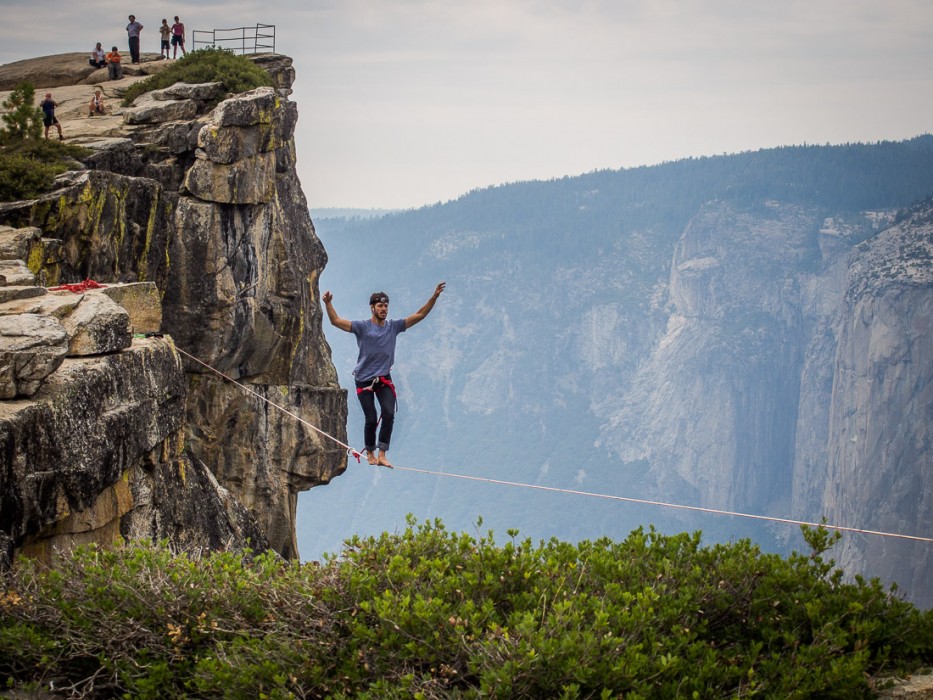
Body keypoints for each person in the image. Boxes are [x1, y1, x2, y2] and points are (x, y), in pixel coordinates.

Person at [323, 283, 446, 467]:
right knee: (371, 418)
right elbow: (336, 321)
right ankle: (370, 452)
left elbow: (419, 315)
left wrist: (434, 297)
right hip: (363, 380)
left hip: (383, 379)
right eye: (380, 306)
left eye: (386, 306)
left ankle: (382, 453)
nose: (384, 309)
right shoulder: (362, 327)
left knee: (388, 413)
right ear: (372, 307)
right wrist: (328, 303)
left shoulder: (393, 327)